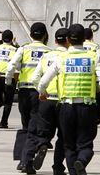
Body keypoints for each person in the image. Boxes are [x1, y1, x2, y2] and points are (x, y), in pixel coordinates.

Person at [38, 24, 100, 175]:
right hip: (87, 106)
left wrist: (42, 93)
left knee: (69, 146)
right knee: (86, 144)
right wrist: (94, 90)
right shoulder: (93, 57)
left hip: (66, 107)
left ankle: (73, 170)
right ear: (84, 39)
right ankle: (81, 161)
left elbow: (43, 82)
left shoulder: (61, 58)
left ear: (68, 40)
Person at [6, 22, 51, 173]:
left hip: (24, 91)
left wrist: (9, 81)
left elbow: (11, 66)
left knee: (26, 124)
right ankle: (28, 159)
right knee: (34, 125)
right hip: (39, 92)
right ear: (45, 35)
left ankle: (21, 159)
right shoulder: (49, 52)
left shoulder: (23, 49)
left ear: (31, 35)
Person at [30, 28, 70, 175]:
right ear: (68, 40)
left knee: (44, 131)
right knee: (62, 136)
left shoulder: (46, 56)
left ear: (55, 40)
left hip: (46, 99)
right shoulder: (69, 57)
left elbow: (35, 78)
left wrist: (42, 92)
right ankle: (58, 167)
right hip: (64, 100)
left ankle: (42, 145)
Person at [0, 29, 18, 128]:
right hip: (9, 76)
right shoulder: (15, 50)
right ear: (11, 39)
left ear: (1, 38)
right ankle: (4, 122)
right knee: (8, 101)